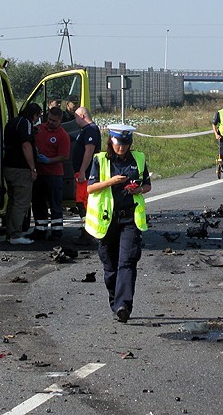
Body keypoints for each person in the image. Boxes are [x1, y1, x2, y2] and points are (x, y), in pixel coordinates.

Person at [86, 124, 152, 323]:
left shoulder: (138, 159)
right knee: (110, 265)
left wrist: (137, 190)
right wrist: (111, 182)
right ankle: (116, 302)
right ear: (111, 141)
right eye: (118, 144)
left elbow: (147, 185)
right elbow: (90, 189)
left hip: (130, 219)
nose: (121, 148)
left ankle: (124, 305)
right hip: (107, 221)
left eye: (125, 144)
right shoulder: (100, 159)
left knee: (128, 261)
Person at [3, 102, 43, 245]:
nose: (38, 119)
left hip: (8, 167)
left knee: (13, 201)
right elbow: (25, 145)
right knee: (21, 202)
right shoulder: (25, 123)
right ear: (34, 115)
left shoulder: (12, 122)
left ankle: (9, 232)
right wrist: (32, 168)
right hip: (21, 169)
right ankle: (15, 235)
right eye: (38, 116)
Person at [29, 107, 71, 240]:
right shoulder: (40, 128)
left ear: (60, 120)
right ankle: (40, 230)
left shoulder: (62, 135)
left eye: (54, 121)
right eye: (49, 119)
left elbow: (64, 156)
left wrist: (49, 160)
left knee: (55, 204)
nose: (50, 122)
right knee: (38, 203)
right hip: (39, 173)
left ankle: (57, 232)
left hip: (54, 174)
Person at [73, 106, 102, 242]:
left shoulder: (90, 130)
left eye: (76, 117)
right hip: (83, 172)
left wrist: (83, 171)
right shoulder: (86, 130)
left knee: (84, 202)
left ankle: (88, 232)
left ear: (82, 116)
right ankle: (87, 230)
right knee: (82, 201)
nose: (75, 120)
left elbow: (89, 151)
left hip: (86, 173)